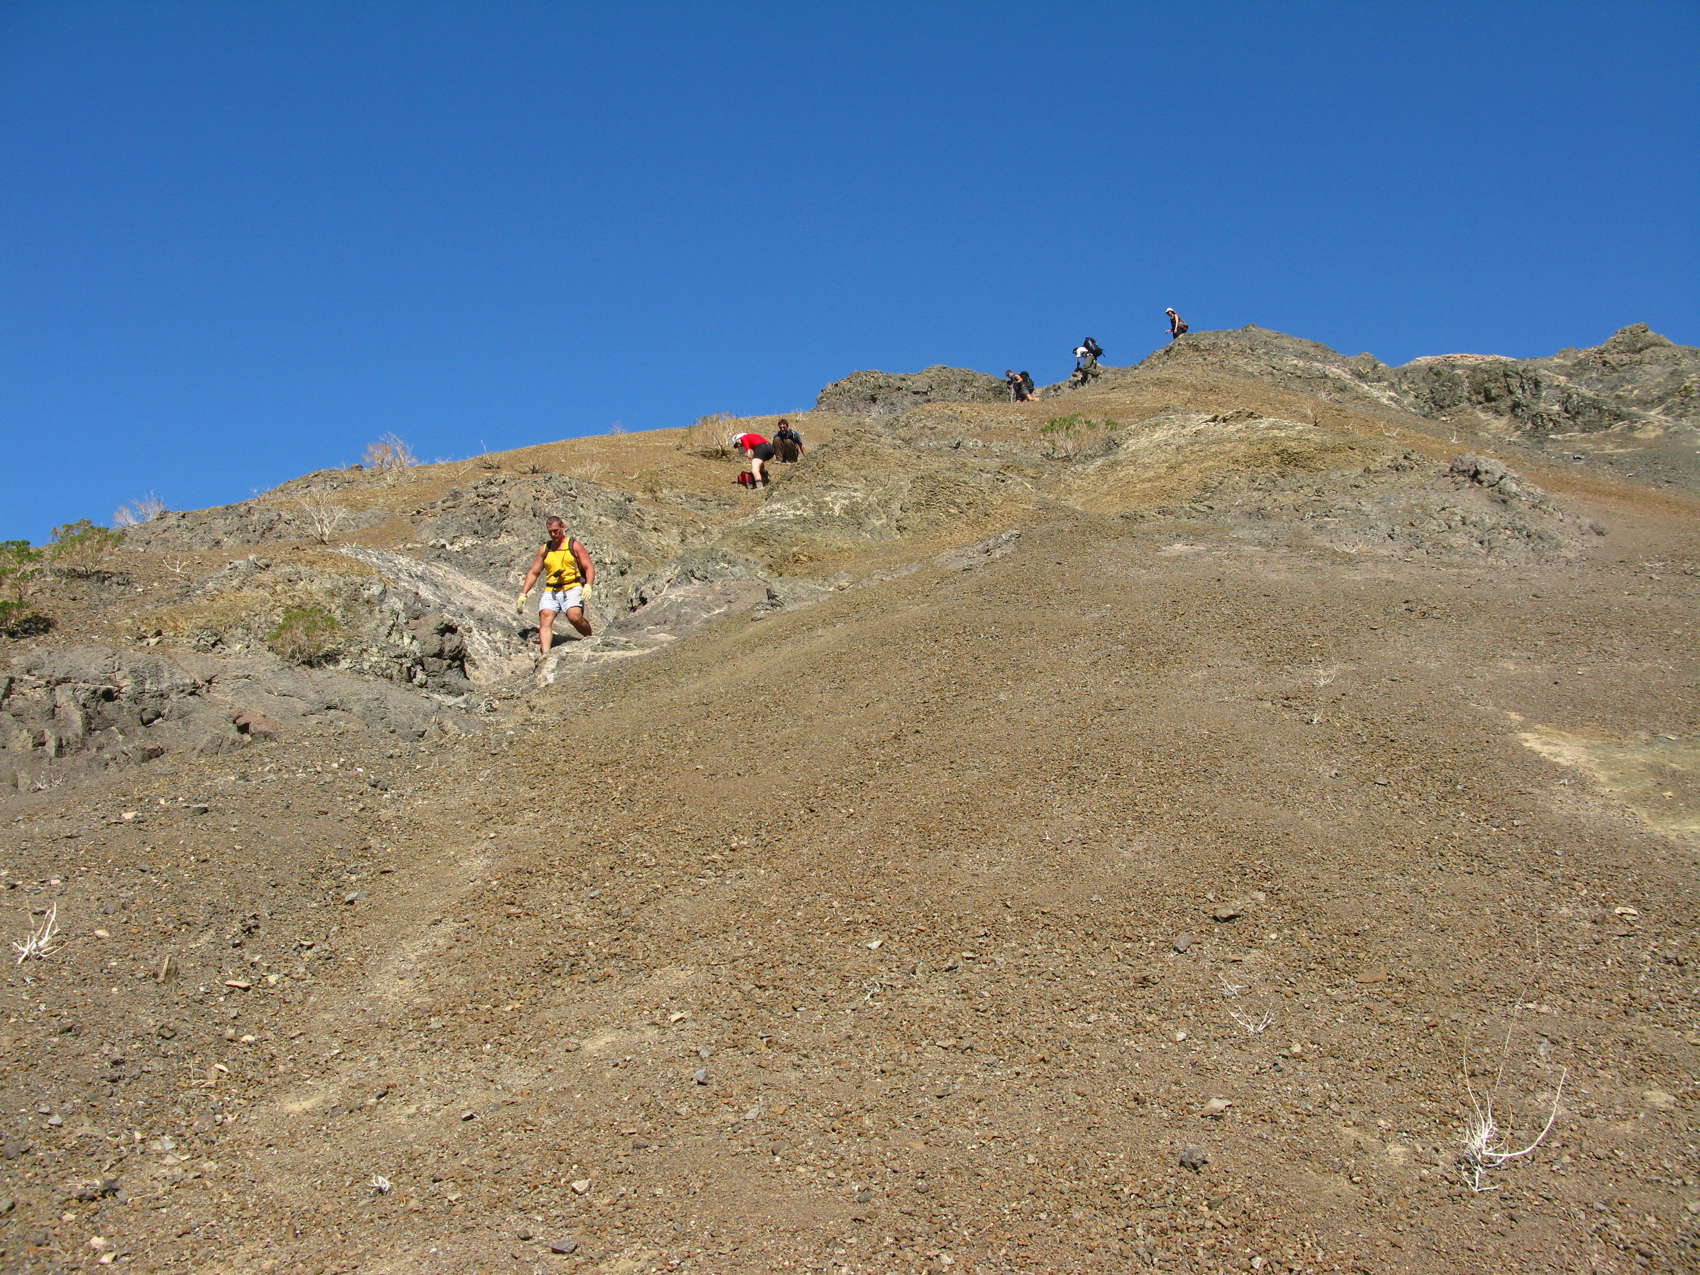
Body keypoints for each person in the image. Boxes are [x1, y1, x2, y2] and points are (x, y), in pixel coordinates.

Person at [516, 516, 594, 653]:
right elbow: (534, 572)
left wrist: (588, 585)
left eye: (556, 530)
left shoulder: (574, 545)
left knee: (574, 616)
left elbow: (588, 567)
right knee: (545, 617)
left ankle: (591, 638)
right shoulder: (545, 549)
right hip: (551, 589)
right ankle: (545, 655)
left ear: (562, 527)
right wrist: (523, 594)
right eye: (550, 531)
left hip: (572, 586)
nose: (553, 534)